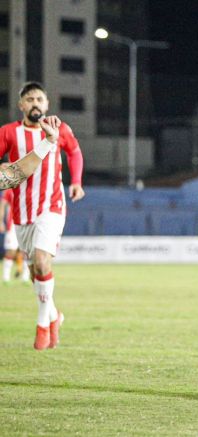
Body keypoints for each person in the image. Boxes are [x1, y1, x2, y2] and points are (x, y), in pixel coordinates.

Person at [0, 82, 85, 351]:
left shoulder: (60, 129)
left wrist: (77, 181)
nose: (35, 103)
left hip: (52, 205)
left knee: (41, 259)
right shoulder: (9, 132)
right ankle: (54, 315)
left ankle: (42, 326)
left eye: (40, 99)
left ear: (47, 104)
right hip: (22, 211)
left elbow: (73, 151)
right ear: (21, 105)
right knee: (36, 270)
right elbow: (12, 173)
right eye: (30, 99)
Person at [0, 189, 31, 283]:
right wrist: (0, 221)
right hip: (13, 224)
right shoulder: (10, 190)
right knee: (11, 251)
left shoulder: (30, 187)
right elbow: (2, 205)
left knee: (27, 251)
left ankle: (25, 278)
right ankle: (6, 278)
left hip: (27, 223)